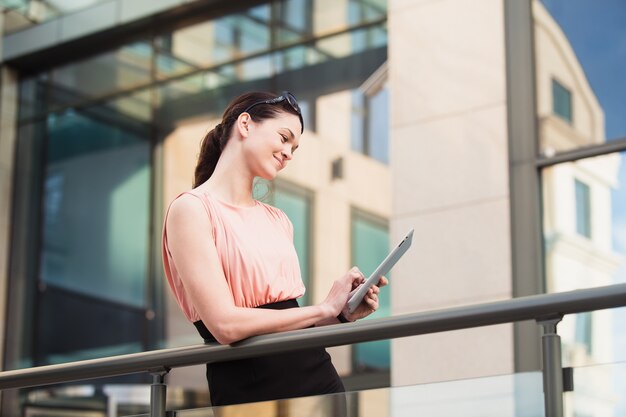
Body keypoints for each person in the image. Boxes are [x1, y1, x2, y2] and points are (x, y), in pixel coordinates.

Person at [161, 91, 387, 406]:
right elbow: (224, 325)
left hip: (318, 381)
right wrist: (322, 308)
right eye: (284, 138)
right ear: (245, 124)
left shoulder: (278, 220)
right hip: (249, 392)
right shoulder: (191, 209)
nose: (288, 153)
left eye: (294, 148)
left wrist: (341, 314)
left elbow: (286, 318)